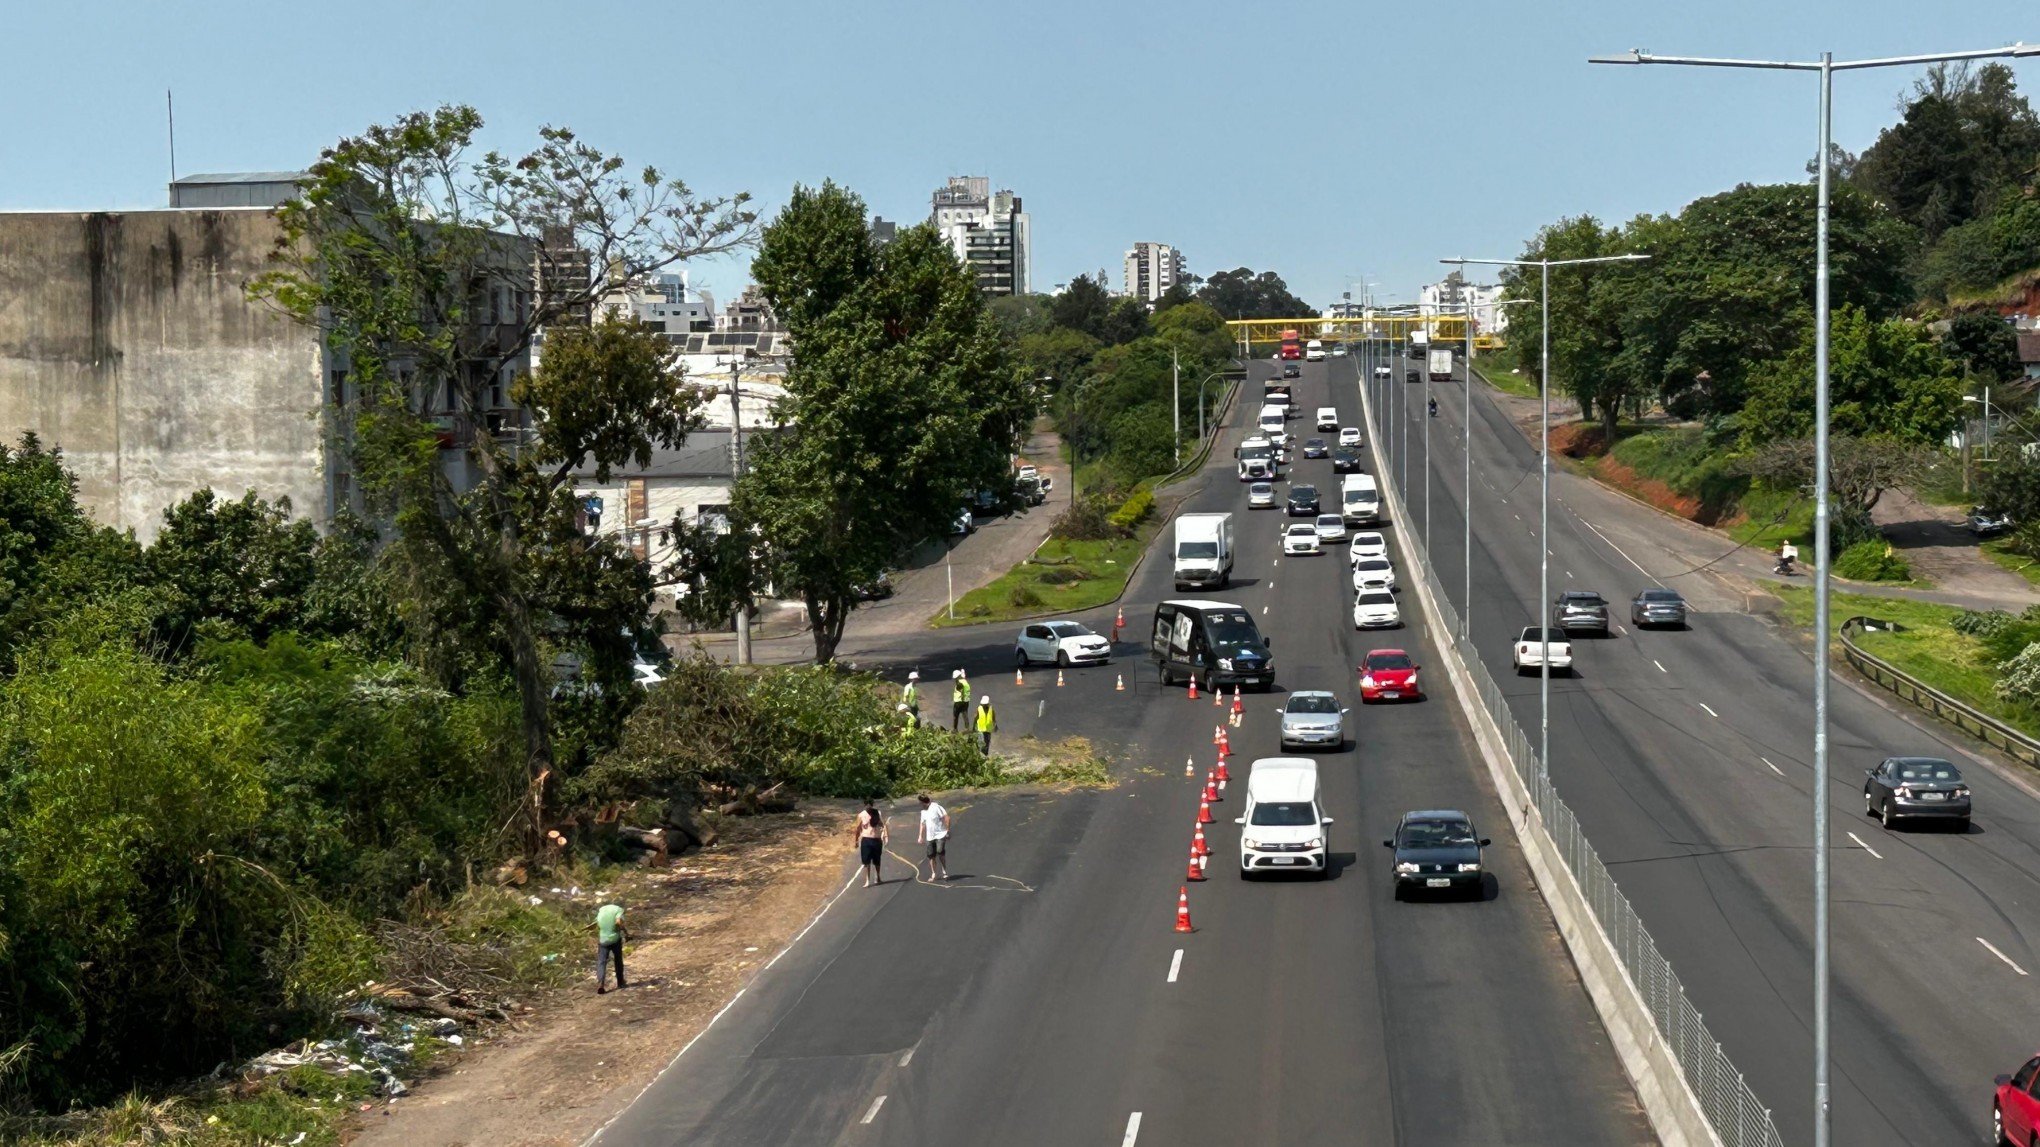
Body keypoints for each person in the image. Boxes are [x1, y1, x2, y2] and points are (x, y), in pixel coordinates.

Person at [594, 901, 627, 994]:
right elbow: (618, 921)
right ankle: (620, 982)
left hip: (603, 940)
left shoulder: (601, 910)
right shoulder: (618, 910)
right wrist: (624, 930)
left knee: (601, 962)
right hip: (615, 939)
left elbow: (597, 923)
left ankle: (600, 984)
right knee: (618, 960)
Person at [854, 797, 889, 887]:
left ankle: (878, 877)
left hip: (877, 839)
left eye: (870, 805)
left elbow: (883, 824)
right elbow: (857, 829)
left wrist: (885, 835)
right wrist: (856, 841)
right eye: (867, 805)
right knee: (866, 861)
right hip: (866, 839)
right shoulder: (861, 815)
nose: (869, 807)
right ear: (865, 805)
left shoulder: (878, 813)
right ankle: (867, 880)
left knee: (877, 860)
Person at [917, 793, 950, 881]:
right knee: (931, 855)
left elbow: (946, 817)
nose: (920, 805)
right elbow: (922, 823)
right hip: (930, 836)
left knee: (940, 851)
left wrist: (947, 831)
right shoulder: (923, 812)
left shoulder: (936, 807)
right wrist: (920, 836)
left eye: (920, 803)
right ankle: (934, 873)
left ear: (923, 802)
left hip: (940, 834)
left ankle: (944, 872)